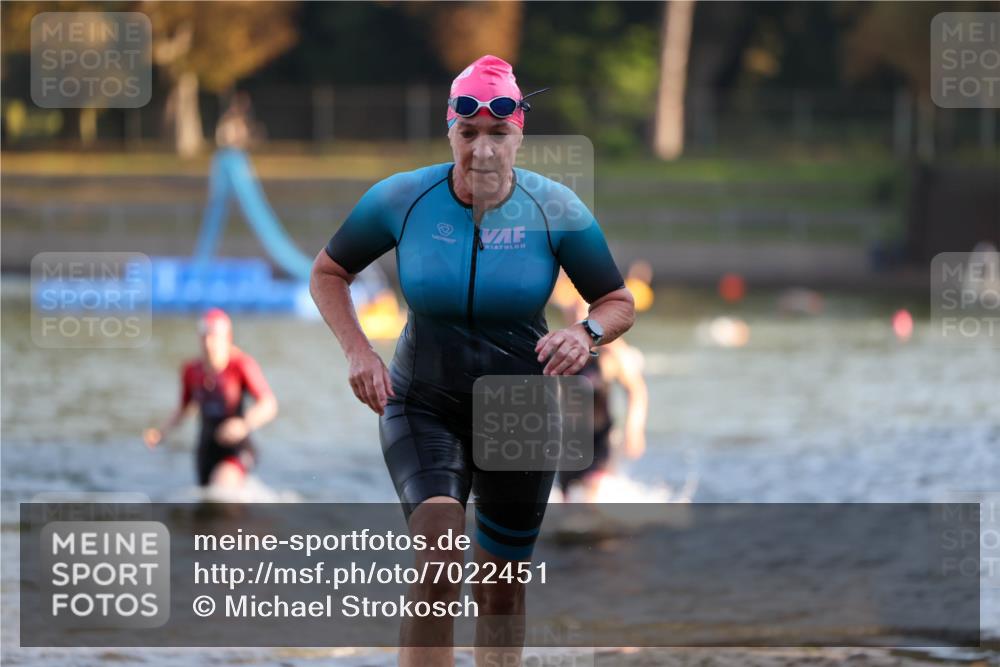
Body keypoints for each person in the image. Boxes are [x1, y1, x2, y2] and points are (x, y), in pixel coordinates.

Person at [310, 54, 635, 667]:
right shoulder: (401, 199)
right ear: (449, 132)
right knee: (437, 557)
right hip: (422, 401)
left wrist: (585, 333)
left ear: (520, 136)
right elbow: (330, 272)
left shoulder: (555, 209)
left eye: (498, 135)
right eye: (469, 135)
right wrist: (358, 349)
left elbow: (618, 301)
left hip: (521, 412)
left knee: (502, 592)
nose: (483, 151)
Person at [143, 308, 278, 488]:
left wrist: (243, 424)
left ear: (227, 338)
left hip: (236, 447)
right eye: (204, 336)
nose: (208, 343)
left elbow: (268, 404)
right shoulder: (191, 370)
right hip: (206, 448)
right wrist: (161, 433)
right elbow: (185, 408)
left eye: (214, 337)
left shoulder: (241, 365)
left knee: (224, 487)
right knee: (208, 502)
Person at [551, 272, 648, 502]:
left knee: (591, 498)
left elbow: (636, 390)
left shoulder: (610, 349)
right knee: (567, 505)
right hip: (570, 439)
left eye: (580, 309)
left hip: (601, 437)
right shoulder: (558, 346)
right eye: (571, 309)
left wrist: (634, 429)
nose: (575, 314)